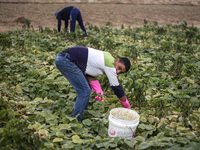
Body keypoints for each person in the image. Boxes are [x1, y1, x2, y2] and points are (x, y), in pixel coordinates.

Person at [55, 46, 131, 122]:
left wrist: (96, 87)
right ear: (117, 60)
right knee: (84, 91)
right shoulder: (110, 64)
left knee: (86, 89)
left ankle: (83, 112)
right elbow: (116, 87)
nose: (117, 72)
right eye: (119, 68)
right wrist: (126, 105)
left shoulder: (105, 59)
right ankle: (76, 121)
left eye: (121, 72)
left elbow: (89, 75)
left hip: (64, 58)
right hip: (66, 59)